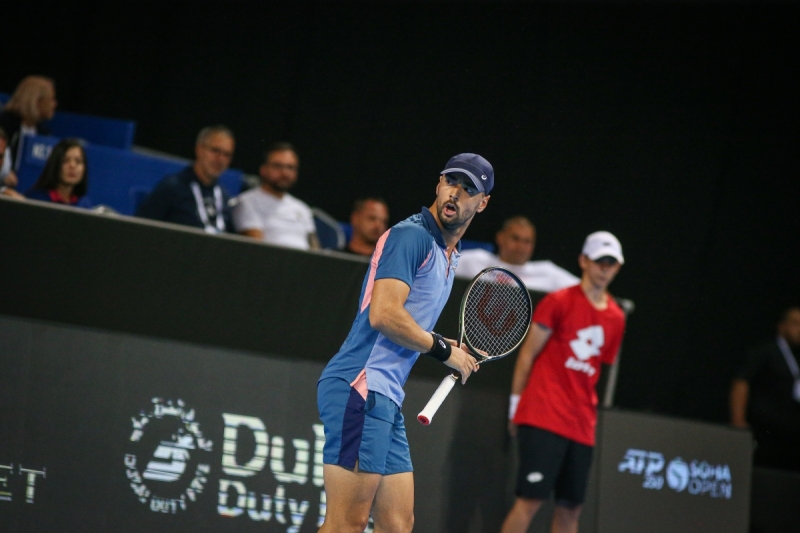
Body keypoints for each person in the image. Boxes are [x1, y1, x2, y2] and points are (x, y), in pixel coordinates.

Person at [316, 153, 493, 533]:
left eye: (468, 189)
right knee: (346, 524)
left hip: (386, 396)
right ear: (438, 183)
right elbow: (383, 315)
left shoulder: (449, 253)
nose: (455, 193)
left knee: (397, 524)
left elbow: (405, 318)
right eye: (451, 182)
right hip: (360, 385)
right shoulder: (412, 237)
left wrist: (442, 342)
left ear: (482, 203)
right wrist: (443, 352)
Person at [501, 231, 627, 533]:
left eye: (611, 263)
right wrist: (515, 406)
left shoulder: (617, 317)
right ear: (583, 261)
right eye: (599, 261)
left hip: (581, 426)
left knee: (571, 509)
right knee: (529, 501)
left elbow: (597, 369)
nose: (605, 269)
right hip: (543, 415)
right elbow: (527, 355)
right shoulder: (558, 301)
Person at [730, 307, 800, 473]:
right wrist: (738, 420)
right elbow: (742, 382)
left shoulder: (797, 357)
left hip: (792, 437)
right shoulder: (766, 352)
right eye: (795, 323)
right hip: (765, 433)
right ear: (782, 326)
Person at [136, 125, 235, 233]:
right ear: (199, 149)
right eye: (215, 150)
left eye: (227, 155)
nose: (220, 159)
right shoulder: (173, 187)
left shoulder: (224, 196)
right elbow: (140, 228)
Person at [232, 142, 319, 250]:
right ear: (263, 169)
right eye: (278, 166)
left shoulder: (303, 208)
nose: (285, 173)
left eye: (290, 167)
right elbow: (256, 249)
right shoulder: (247, 202)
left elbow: (315, 250)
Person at [456, 216, 579, 292]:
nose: (521, 246)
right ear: (500, 237)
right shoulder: (474, 260)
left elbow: (583, 289)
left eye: (527, 241)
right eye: (515, 238)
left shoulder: (547, 272)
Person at [0, 76, 57, 172]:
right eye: (52, 99)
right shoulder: (4, 124)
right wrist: (5, 174)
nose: (55, 104)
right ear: (36, 101)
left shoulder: (44, 133)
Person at [24, 138, 92, 208]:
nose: (72, 166)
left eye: (78, 161)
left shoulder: (84, 204)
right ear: (55, 164)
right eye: (65, 160)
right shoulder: (36, 200)